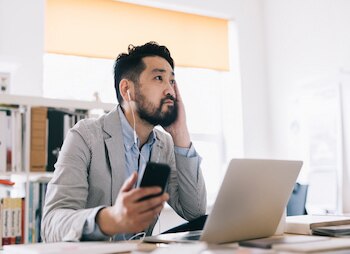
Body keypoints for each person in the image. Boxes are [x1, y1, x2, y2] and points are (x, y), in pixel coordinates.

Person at [41, 42, 207, 242]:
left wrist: (180, 133)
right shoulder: (85, 136)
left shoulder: (165, 144)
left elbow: (195, 212)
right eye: (158, 78)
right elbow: (51, 224)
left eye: (172, 81)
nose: (169, 90)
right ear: (127, 89)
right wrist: (112, 219)